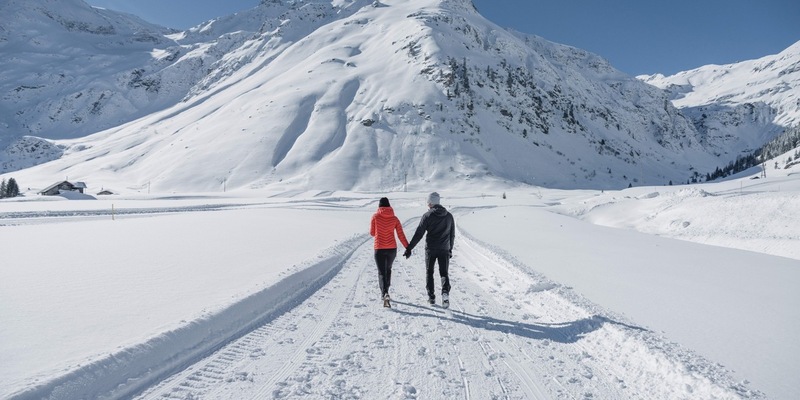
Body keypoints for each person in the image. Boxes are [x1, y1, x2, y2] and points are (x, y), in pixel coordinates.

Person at [403, 192, 455, 307]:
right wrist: (450, 249)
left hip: (431, 249)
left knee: (429, 272)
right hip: (444, 249)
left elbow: (419, 234)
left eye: (428, 203)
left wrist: (409, 248)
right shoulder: (449, 216)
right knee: (444, 273)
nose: (428, 205)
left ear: (431, 203)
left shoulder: (427, 216)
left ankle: (431, 297)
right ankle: (445, 292)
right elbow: (452, 235)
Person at [370, 197, 409, 308]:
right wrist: (407, 247)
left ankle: (384, 293)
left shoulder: (375, 217)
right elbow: (400, 235)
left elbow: (372, 233)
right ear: (389, 206)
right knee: (388, 270)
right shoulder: (395, 219)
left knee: (381, 272)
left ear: (379, 206)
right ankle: (387, 290)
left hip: (379, 248)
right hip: (392, 249)